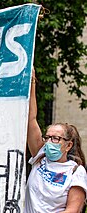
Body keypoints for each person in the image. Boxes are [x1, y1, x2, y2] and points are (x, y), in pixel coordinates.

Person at [24, 68, 87, 212]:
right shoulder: (40, 157)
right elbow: (30, 119)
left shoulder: (75, 171)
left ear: (68, 145)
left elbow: (73, 210)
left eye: (56, 138)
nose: (49, 142)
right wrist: (32, 81)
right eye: (47, 137)